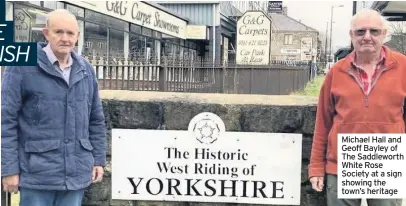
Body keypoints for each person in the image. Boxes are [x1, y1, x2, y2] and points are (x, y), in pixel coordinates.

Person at [1, 9, 106, 206]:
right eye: (58, 32)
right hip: (36, 175)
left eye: (70, 33)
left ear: (77, 36)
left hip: (76, 173)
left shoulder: (86, 69)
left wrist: (98, 159)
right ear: (46, 33)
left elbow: (96, 119)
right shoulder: (21, 65)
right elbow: (6, 121)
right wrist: (8, 170)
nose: (65, 38)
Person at [308, 9, 405, 206]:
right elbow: (323, 124)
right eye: (360, 32)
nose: (367, 37)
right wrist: (317, 167)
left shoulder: (403, 67)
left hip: (386, 163)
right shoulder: (336, 72)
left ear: (384, 35)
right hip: (342, 165)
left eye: (374, 31)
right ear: (352, 36)